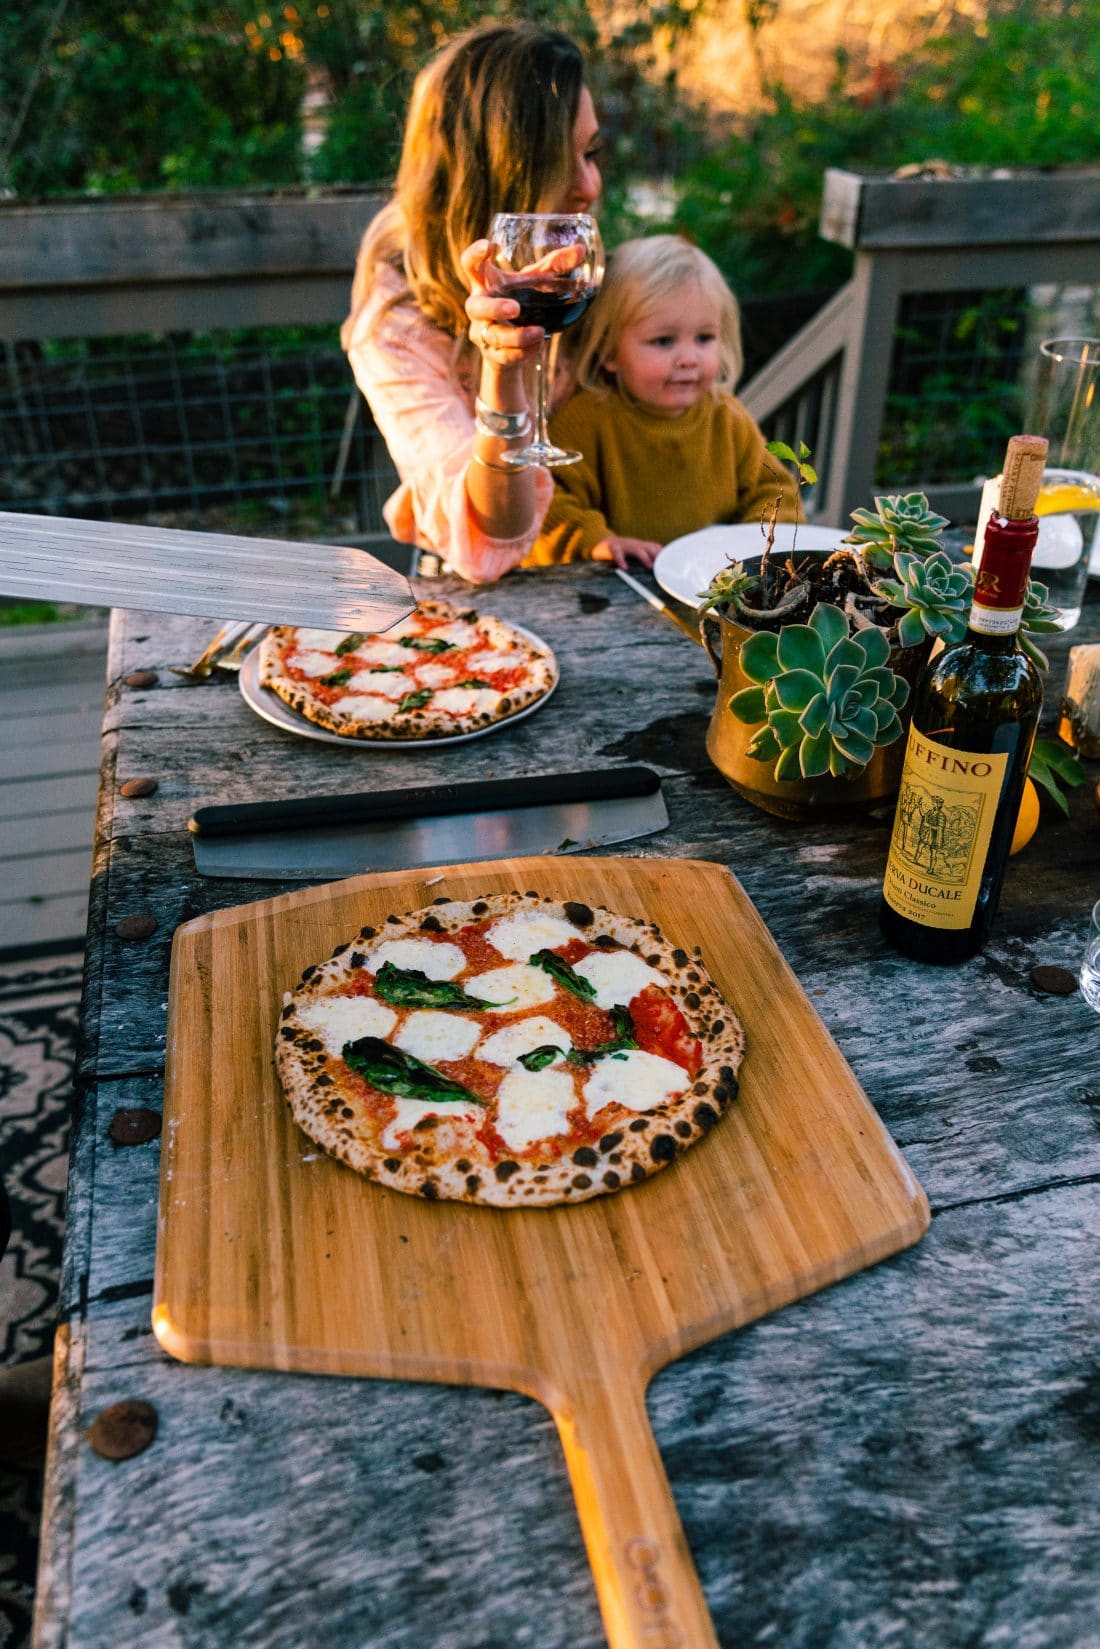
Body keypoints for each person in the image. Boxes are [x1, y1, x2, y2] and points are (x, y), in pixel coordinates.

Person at [342, 23, 601, 585]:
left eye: (592, 152)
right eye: (564, 160)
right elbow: (492, 542)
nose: (591, 185)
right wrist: (502, 372)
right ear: (494, 172)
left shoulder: (574, 269)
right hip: (480, 604)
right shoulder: (394, 330)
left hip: (597, 565)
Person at [528, 236, 801, 570]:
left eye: (704, 338)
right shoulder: (588, 420)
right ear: (610, 351)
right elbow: (548, 501)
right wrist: (597, 541)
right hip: (622, 587)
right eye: (663, 341)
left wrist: (749, 548)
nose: (688, 358)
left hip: (710, 585)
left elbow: (774, 490)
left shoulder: (726, 417)